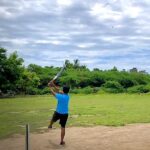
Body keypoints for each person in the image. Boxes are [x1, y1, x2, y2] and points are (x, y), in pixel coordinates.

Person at [48, 80, 70, 145]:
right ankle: (62, 141)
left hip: (58, 112)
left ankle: (50, 125)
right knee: (63, 127)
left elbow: (53, 92)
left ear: (63, 90)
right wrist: (53, 84)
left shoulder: (60, 96)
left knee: (52, 119)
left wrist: (50, 86)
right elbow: (58, 90)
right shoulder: (67, 96)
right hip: (65, 114)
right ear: (68, 91)